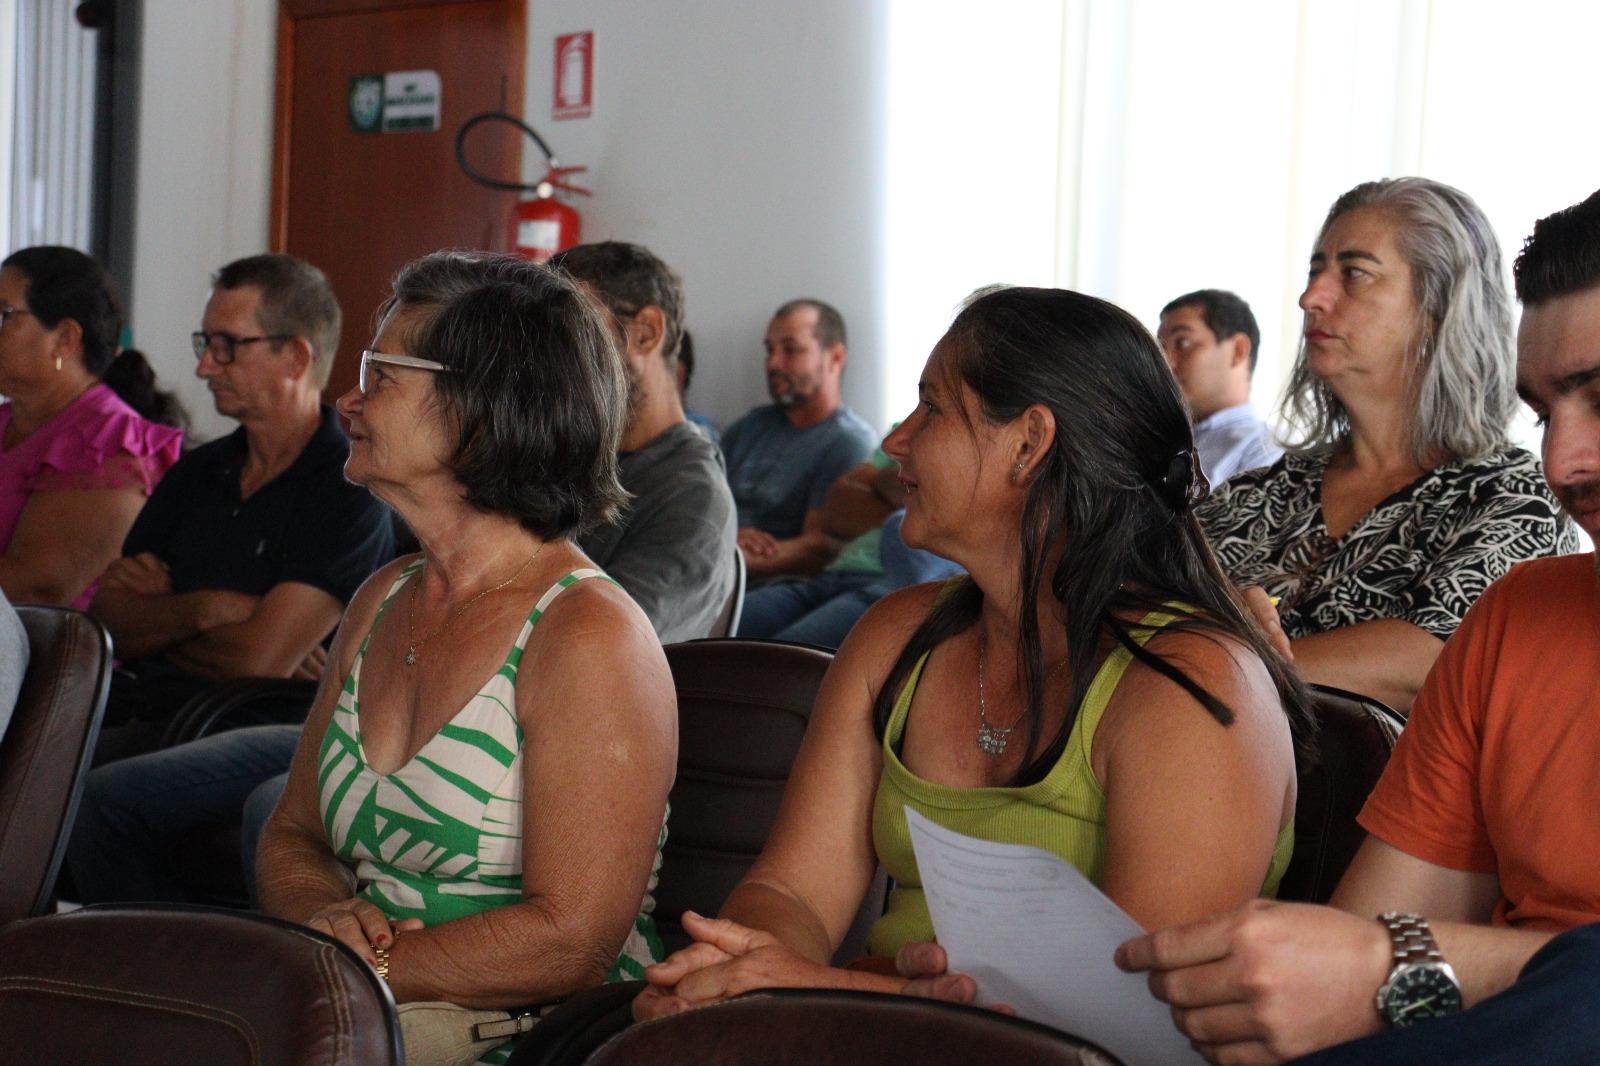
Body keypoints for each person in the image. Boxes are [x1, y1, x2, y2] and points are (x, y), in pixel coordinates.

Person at [634, 286, 1313, 1019]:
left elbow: (1134, 1009)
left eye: (930, 408)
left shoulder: (1194, 684)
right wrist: (734, 973)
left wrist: (814, 986)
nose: (897, 441)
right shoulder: (896, 637)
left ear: (1028, 442)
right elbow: (792, 890)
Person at [1109, 187, 1600, 1066]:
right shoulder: (1519, 623)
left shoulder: (1499, 498)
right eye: (1546, 412)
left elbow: (1380, 955)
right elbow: (1355, 943)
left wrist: (1404, 968)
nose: (1564, 460)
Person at [256, 252, 674, 1060]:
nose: (348, 397)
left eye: (381, 375)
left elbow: (574, 939)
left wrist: (364, 964)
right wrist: (321, 917)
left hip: (535, 1039)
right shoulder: (383, 599)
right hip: (366, 1017)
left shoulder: (587, 635)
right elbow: (292, 834)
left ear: (483, 408)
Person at [1197, 178, 1576, 714]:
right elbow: (1128, 616)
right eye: (1315, 271)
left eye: (1354, 273)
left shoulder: (1512, 495)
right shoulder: (1257, 494)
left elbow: (1433, 662)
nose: (1312, 298)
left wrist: (1208, 662)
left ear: (1439, 304)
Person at [77, 253, 394, 769]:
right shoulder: (197, 471)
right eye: (206, 344)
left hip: (250, 733)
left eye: (226, 347)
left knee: (79, 800)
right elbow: (110, 622)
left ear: (295, 357)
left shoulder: (349, 484)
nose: (204, 367)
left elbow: (257, 659)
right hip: (136, 707)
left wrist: (165, 618)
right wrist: (211, 609)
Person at [550, 241, 738, 642]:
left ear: (646, 333)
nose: (550, 359)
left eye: (572, 333)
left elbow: (599, 646)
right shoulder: (561, 458)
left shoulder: (693, 497)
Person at [0, 247, 184, 609]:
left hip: (37, 659)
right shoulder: (8, 419)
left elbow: (37, 585)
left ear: (65, 338)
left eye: (5, 315)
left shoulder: (111, 444)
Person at [736, 440, 961, 648]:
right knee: (714, 626)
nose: (895, 441)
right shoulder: (903, 431)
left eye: (930, 405)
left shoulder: (966, 436)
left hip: (885, 582)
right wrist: (911, 492)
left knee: (773, 663)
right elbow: (835, 510)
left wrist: (882, 485)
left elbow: (946, 510)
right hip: (830, 576)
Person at [722, 299, 877, 579]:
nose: (773, 362)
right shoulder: (749, 427)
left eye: (791, 350)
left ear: (835, 358)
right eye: (770, 350)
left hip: (760, 585)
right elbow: (704, 507)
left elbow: (819, 549)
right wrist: (722, 536)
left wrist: (724, 557)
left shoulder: (847, 442)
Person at [1156, 288, 1281, 484]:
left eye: (1183, 343)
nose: (1165, 362)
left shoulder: (1265, 449)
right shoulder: (1158, 442)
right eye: (1160, 349)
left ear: (1238, 351)